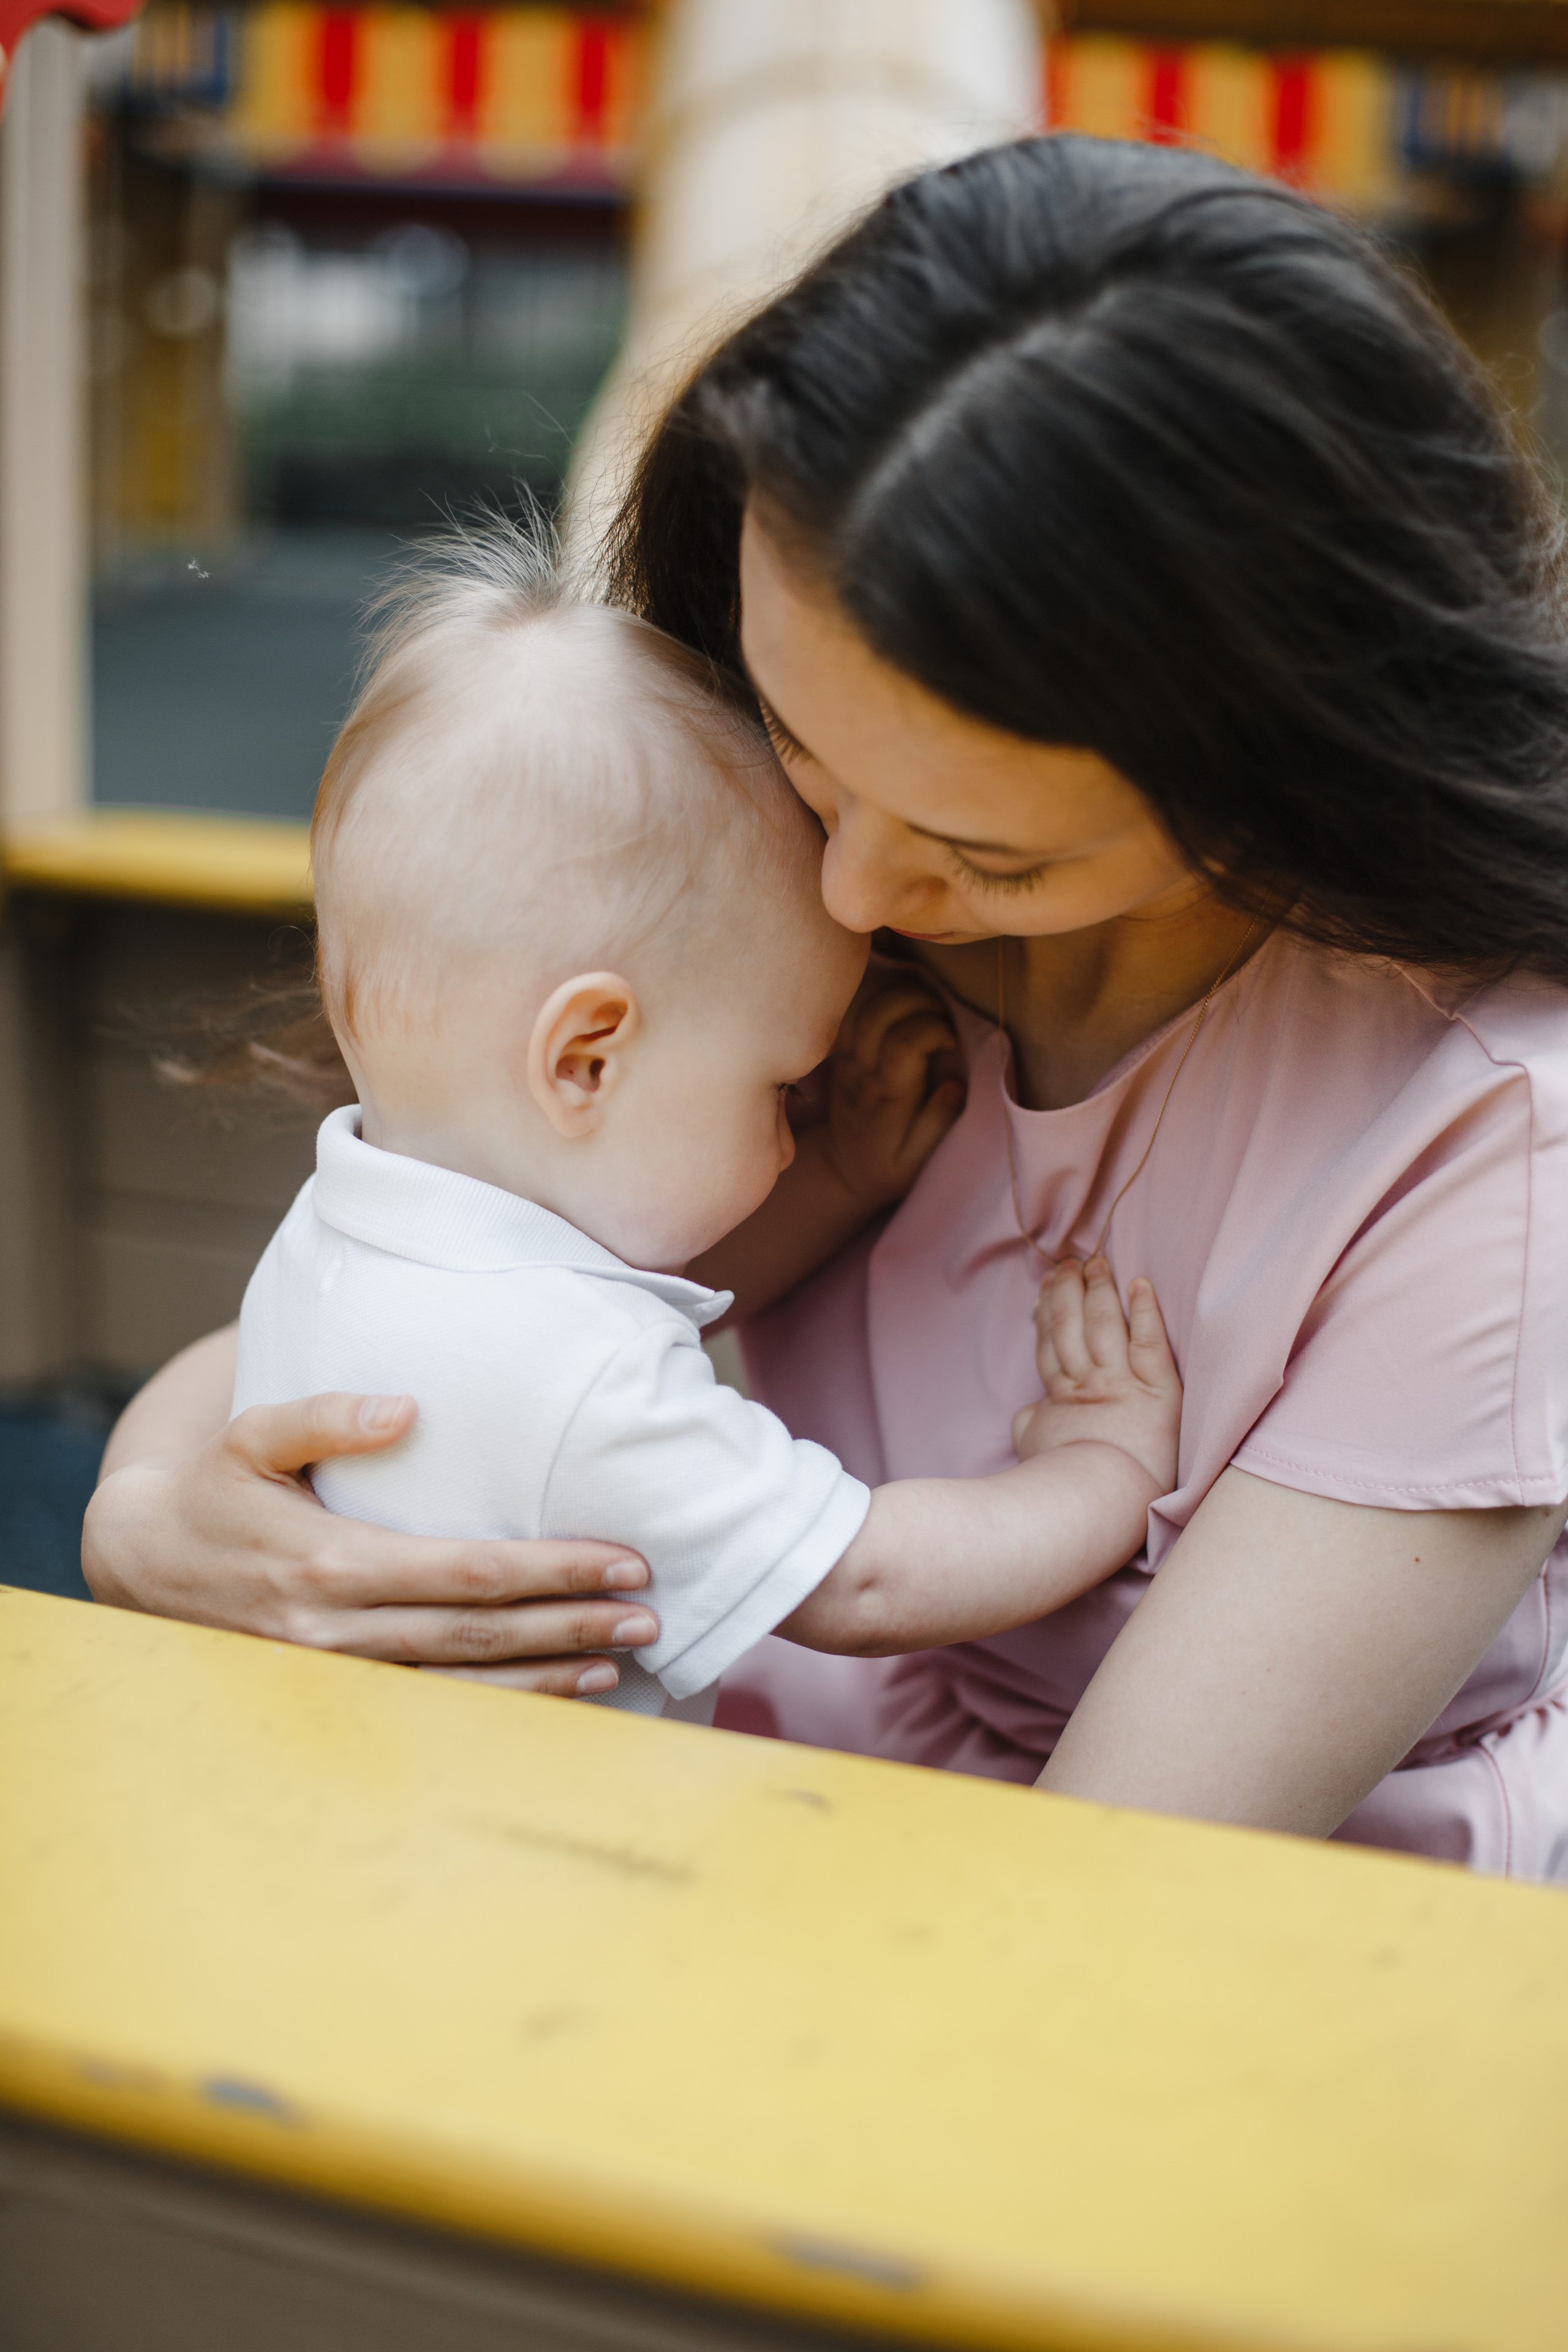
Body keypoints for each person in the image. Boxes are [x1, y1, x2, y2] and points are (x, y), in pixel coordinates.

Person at [86, 134, 1568, 1877]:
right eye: (800, 741)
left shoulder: (1492, 1141)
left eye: (979, 853)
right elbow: (436, 1303)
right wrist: (149, 1517)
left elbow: (1115, 1874)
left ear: (1283, 770)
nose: (853, 897)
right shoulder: (755, 889)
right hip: (784, 1786)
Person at [233, 529, 1182, 1722]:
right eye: (779, 1090)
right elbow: (866, 1581)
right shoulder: (577, 1374)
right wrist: (1103, 1466)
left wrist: (834, 1181)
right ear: (584, 1060)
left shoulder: (339, 1227)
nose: (795, 1131)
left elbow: (638, 1273)